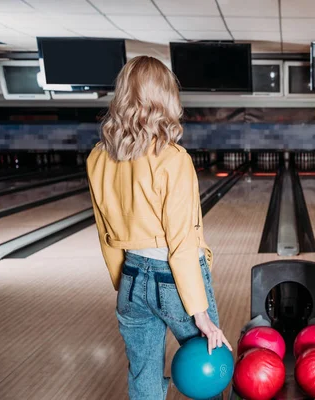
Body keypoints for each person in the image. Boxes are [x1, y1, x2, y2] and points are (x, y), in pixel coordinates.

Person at [86, 56, 232, 400]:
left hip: (131, 277)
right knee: (209, 370)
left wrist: (124, 284)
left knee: (143, 376)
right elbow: (180, 244)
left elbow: (106, 237)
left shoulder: (97, 158)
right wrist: (202, 316)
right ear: (167, 98)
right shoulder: (173, 158)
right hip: (175, 281)